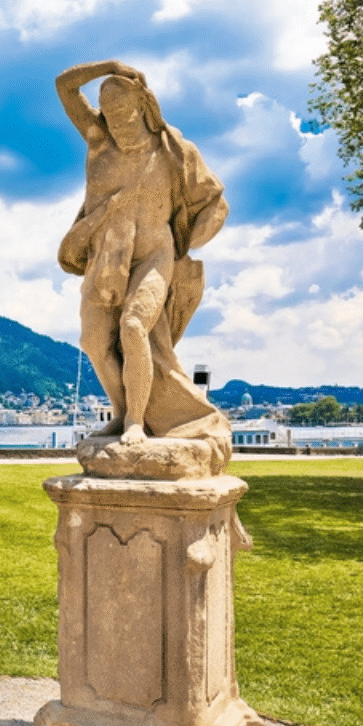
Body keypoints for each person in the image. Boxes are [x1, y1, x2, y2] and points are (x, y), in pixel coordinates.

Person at [55, 60, 230, 453]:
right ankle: (121, 412)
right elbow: (64, 86)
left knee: (134, 326)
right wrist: (109, 67)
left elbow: (215, 201)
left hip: (154, 254)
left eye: (123, 112)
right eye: (109, 114)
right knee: (94, 341)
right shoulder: (99, 141)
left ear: (143, 106)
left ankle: (137, 420)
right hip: (107, 258)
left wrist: (189, 244)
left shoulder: (173, 151)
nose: (116, 122)